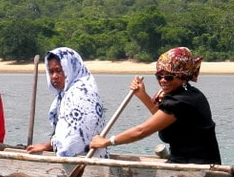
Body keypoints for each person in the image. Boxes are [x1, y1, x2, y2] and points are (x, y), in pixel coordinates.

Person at [89, 47, 222, 164]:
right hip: (198, 163)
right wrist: (142, 95)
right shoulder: (192, 93)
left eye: (169, 77)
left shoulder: (180, 102)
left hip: (194, 169)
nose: (163, 81)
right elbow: (163, 117)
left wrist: (106, 142)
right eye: (159, 76)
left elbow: (141, 131)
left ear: (182, 76)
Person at [25, 47, 106, 157]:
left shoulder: (80, 93)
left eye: (59, 71)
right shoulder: (65, 94)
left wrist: (46, 146)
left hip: (85, 160)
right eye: (51, 72)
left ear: (70, 69)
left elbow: (72, 140)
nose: (54, 76)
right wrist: (47, 145)